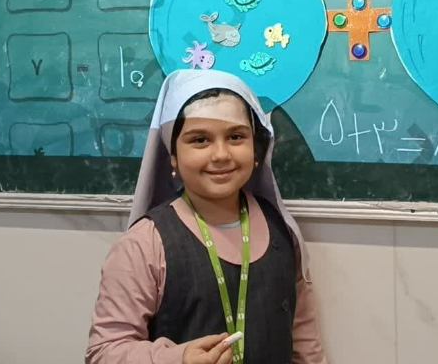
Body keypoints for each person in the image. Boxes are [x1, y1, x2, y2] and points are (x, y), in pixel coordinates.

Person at [86, 69, 327, 364]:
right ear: (173, 156)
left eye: (236, 137)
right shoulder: (144, 245)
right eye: (200, 140)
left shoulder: (282, 231)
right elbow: (103, 352)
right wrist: (178, 358)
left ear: (256, 149)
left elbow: (304, 340)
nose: (221, 154)